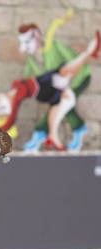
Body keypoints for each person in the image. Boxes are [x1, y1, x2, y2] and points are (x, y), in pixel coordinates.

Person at [0, 31, 99, 151]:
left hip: (45, 84)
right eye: (0, 106)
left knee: (61, 94)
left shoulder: (15, 89)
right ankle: (90, 52)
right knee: (65, 76)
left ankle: (53, 137)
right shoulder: (15, 99)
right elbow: (10, 120)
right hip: (46, 88)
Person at [18, 8, 92, 151]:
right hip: (58, 88)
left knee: (62, 104)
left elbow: (74, 62)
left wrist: (67, 80)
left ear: (36, 36)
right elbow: (27, 78)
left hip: (79, 78)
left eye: (27, 42)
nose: (24, 48)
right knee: (60, 105)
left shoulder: (56, 46)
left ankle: (41, 133)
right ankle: (74, 129)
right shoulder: (31, 59)